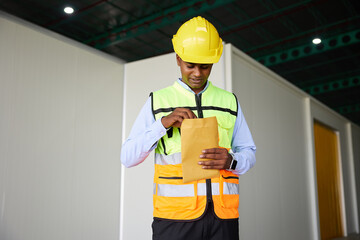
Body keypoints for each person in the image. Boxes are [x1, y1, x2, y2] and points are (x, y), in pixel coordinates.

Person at [121, 16, 256, 240]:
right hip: (174, 220)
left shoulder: (229, 102)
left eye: (205, 67)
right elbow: (128, 157)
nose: (197, 73)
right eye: (190, 65)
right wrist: (162, 124)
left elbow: (249, 153)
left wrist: (231, 161)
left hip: (223, 219)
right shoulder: (158, 101)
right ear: (178, 59)